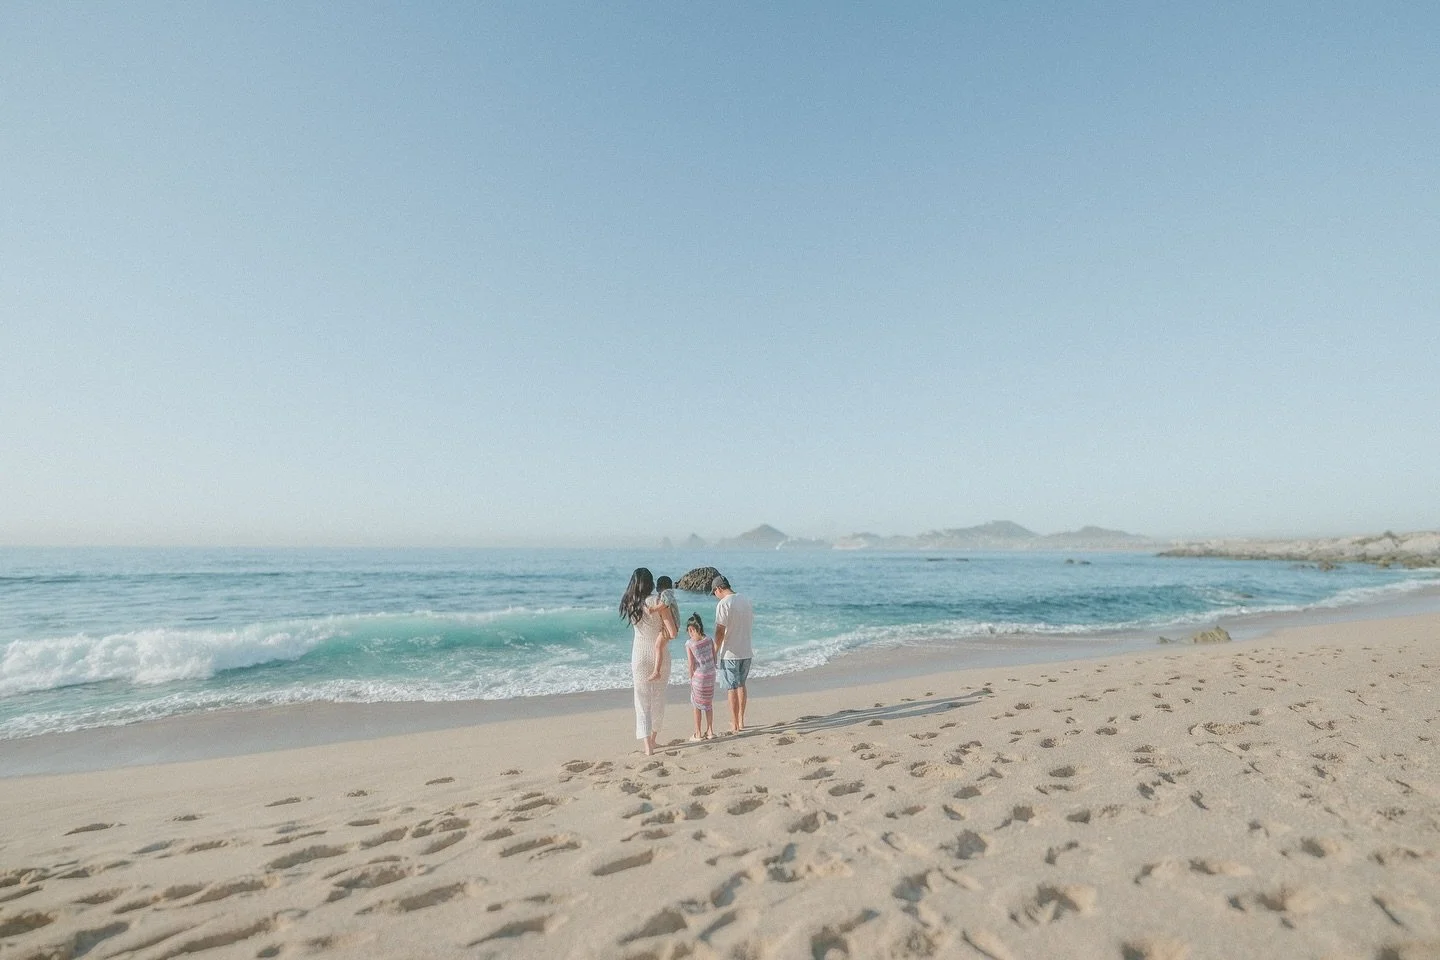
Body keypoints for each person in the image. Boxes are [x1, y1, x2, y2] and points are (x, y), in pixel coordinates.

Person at [620, 567, 677, 755]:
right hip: (658, 655)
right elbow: (672, 632)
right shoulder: (658, 601)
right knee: (658, 698)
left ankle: (646, 746)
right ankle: (653, 740)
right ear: (651, 582)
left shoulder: (630, 603)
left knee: (641, 700)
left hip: (639, 655)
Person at [711, 574, 754, 734]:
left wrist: (715, 650)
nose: (715, 596)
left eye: (714, 592)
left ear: (719, 588)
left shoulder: (724, 604)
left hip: (730, 652)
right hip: (746, 650)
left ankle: (735, 724)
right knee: (741, 685)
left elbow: (720, 631)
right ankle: (741, 721)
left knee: (731, 688)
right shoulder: (745, 600)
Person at [684, 612, 716, 741]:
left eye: (690, 630)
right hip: (711, 675)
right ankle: (710, 731)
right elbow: (714, 657)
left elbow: (691, 664)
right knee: (708, 704)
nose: (690, 633)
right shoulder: (709, 639)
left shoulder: (690, 644)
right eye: (689, 631)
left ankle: (698, 733)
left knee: (696, 705)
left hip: (699, 677)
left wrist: (691, 678)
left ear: (695, 629)